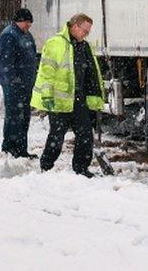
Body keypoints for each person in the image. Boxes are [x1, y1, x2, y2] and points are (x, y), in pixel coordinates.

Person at [31, 13, 105, 178]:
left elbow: (91, 73)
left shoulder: (84, 46)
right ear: (75, 26)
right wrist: (47, 96)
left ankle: (81, 169)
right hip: (59, 101)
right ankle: (46, 166)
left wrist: (94, 98)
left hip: (79, 100)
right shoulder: (55, 44)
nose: (86, 34)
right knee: (56, 136)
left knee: (85, 135)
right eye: (85, 31)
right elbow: (47, 72)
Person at [0, 8, 38, 158]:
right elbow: (5, 62)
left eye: (30, 23)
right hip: (14, 85)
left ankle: (21, 149)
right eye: (27, 22)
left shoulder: (25, 35)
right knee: (14, 116)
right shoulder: (9, 35)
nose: (29, 26)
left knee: (24, 116)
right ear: (19, 21)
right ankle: (10, 148)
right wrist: (14, 81)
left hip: (25, 84)